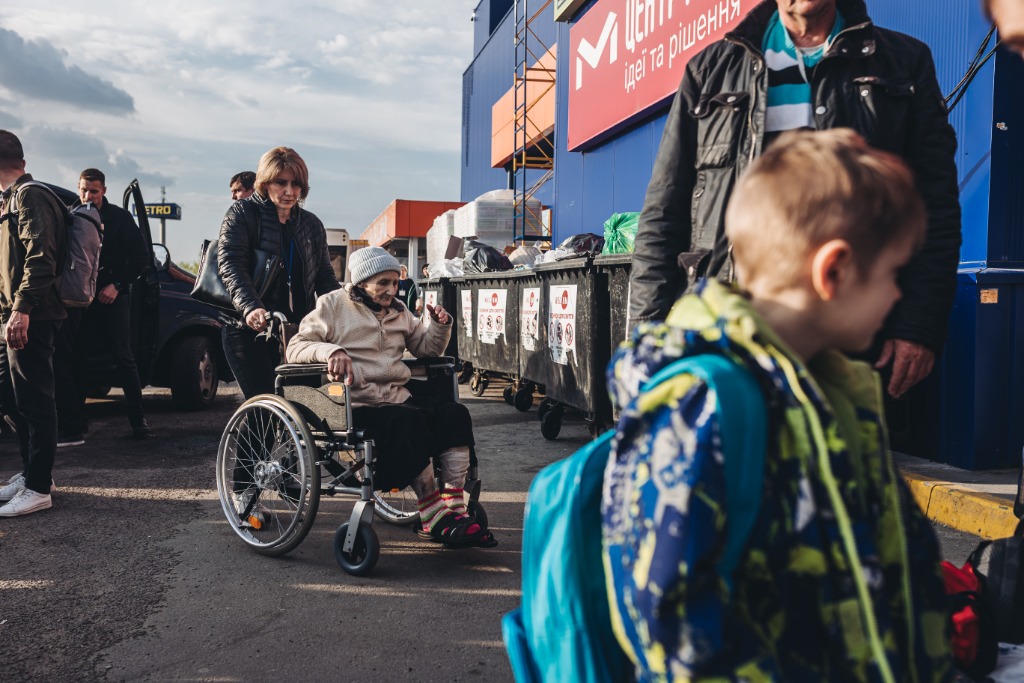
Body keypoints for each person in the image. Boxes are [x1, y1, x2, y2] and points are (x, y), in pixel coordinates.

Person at [603, 129, 952, 680]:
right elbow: (673, 626)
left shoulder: (837, 393)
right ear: (833, 272)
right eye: (892, 275)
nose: (898, 296)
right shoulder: (705, 406)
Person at [628, 0, 962, 400]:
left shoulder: (904, 63)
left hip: (855, 341)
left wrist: (918, 324)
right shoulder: (709, 72)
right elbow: (664, 213)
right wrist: (645, 338)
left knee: (841, 455)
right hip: (729, 333)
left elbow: (936, 205)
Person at [286, 246, 493, 547]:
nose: (391, 290)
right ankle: (433, 513)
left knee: (454, 414)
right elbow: (296, 346)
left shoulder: (399, 311)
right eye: (383, 283)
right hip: (354, 399)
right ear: (361, 281)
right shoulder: (332, 305)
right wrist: (332, 351)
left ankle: (452, 506)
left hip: (395, 393)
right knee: (409, 421)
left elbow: (426, 350)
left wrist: (439, 325)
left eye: (395, 282)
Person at [218, 147, 340, 399]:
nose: (289, 191)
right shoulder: (242, 214)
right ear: (264, 182)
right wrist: (251, 306)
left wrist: (347, 313)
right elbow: (231, 265)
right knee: (264, 411)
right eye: (281, 182)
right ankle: (247, 440)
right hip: (248, 330)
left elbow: (325, 278)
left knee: (307, 408)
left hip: (299, 332)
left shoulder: (311, 224)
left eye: (296, 184)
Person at [0, 130, 66, 517]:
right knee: (11, 398)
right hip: (15, 313)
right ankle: (32, 473)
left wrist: (22, 309)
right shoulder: (11, 199)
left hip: (34, 315)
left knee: (35, 398)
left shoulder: (30, 196)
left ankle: (40, 487)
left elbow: (42, 258)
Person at [66, 168, 151, 441]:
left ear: (103, 191)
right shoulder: (71, 215)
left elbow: (141, 258)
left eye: (93, 190)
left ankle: (138, 421)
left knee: (124, 357)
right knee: (77, 358)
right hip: (81, 300)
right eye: (83, 190)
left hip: (112, 297)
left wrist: (117, 285)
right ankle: (77, 424)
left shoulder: (120, 218)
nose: (88, 195)